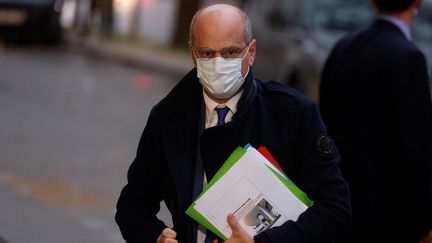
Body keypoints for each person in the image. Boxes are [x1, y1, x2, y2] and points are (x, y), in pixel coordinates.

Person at [116, 4, 351, 243]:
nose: (218, 64)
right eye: (207, 53)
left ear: (251, 52)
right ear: (193, 54)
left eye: (230, 52)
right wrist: (154, 235)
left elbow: (335, 210)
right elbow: (132, 205)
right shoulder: (168, 117)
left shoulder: (293, 114)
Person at [319, 0, 432, 242]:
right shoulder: (409, 57)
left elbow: (325, 120)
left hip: (341, 201)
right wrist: (425, 219)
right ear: (418, 2)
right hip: (390, 211)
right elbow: (416, 148)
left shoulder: (343, 46)